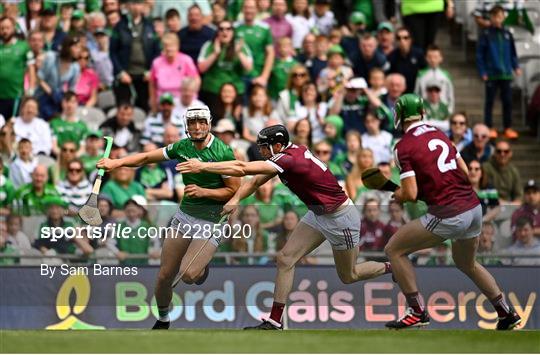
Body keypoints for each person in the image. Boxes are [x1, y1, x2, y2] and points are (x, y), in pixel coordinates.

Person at [178, 124, 392, 330]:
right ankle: (275, 321)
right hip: (318, 214)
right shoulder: (284, 156)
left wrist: (203, 166)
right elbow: (253, 183)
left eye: (264, 146)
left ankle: (391, 268)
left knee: (349, 275)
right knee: (285, 259)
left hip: (340, 218)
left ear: (277, 146)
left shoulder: (289, 160)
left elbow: (242, 168)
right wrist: (235, 199)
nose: (261, 150)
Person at [383, 93, 521, 330]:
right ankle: (506, 312)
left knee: (394, 249)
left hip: (449, 213)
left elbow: (412, 193)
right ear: (423, 112)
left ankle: (416, 312)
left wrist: (399, 195)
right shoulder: (440, 134)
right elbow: (465, 173)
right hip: (473, 207)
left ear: (399, 116)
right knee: (467, 263)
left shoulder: (403, 146)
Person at [96, 105, 240, 330]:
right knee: (164, 276)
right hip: (185, 216)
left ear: (209, 123)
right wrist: (116, 163)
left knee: (189, 275)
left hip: (212, 220)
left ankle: (201, 268)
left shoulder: (223, 152)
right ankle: (163, 320)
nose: (197, 126)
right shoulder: (182, 147)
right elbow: (145, 157)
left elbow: (233, 191)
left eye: (201, 122)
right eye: (192, 123)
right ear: (186, 125)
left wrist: (205, 192)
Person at [476, 5, 521, 140]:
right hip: (491, 74)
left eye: (500, 16)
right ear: (490, 17)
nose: (497, 19)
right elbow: (480, 55)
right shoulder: (486, 35)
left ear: (503, 17)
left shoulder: (508, 34)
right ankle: (489, 127)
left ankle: (507, 127)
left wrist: (515, 66)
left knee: (507, 101)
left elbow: (513, 53)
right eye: (495, 16)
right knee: (490, 102)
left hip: (506, 74)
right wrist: (483, 71)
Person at [109, 0, 160, 112]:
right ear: (127, 6)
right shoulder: (119, 26)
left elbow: (157, 51)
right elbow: (112, 52)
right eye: (133, 3)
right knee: (124, 109)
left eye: (139, 4)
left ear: (143, 6)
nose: (136, 7)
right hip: (125, 75)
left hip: (145, 75)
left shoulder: (149, 26)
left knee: (144, 109)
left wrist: (151, 70)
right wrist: (120, 72)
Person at [197, 20, 253, 112]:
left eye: (228, 29)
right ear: (217, 32)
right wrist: (215, 54)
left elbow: (249, 68)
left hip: (235, 92)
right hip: (213, 91)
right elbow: (201, 68)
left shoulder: (241, 46)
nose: (225, 32)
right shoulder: (209, 45)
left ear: (233, 32)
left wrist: (238, 53)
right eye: (221, 29)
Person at [148, 33, 200, 114]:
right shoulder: (156, 62)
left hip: (183, 103)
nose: (169, 48)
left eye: (172, 45)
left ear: (177, 46)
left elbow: (196, 80)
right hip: (163, 104)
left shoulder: (186, 60)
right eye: (166, 46)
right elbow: (152, 84)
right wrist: (153, 103)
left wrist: (191, 99)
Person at [235, 0, 275, 89]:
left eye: (252, 7)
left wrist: (264, 77)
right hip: (238, 77)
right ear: (242, 9)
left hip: (258, 75)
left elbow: (270, 53)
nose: (249, 10)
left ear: (257, 9)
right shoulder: (235, 27)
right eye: (246, 7)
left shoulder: (265, 28)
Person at [0, 16, 33, 120]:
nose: (5, 31)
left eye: (7, 28)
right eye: (2, 28)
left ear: (13, 28)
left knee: (12, 124)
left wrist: (31, 88)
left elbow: (31, 68)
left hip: (15, 95)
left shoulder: (23, 46)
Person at [414, 45, 454, 113]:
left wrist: (449, 111)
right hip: (426, 112)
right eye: (430, 57)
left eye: (435, 57)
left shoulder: (446, 75)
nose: (432, 60)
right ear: (426, 58)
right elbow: (416, 94)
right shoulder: (421, 74)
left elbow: (450, 96)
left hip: (442, 112)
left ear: (441, 58)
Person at [387, 27, 427, 93]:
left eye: (405, 37)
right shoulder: (391, 56)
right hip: (398, 93)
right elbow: (389, 77)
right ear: (396, 41)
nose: (402, 41)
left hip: (417, 91)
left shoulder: (418, 54)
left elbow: (425, 72)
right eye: (399, 38)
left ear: (410, 39)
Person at [482, 140, 522, 204]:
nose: (502, 154)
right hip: (490, 205)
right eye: (499, 151)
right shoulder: (485, 168)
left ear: (510, 153)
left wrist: (513, 204)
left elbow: (519, 195)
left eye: (506, 151)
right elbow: (482, 191)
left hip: (509, 206)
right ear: (494, 153)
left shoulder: (513, 171)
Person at [49, 91, 88, 156]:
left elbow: (82, 149)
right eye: (67, 101)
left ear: (77, 104)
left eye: (73, 102)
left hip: (77, 161)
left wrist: (72, 158)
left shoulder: (82, 126)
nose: (69, 105)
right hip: (58, 159)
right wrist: (64, 157)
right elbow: (54, 147)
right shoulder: (54, 123)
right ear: (62, 103)